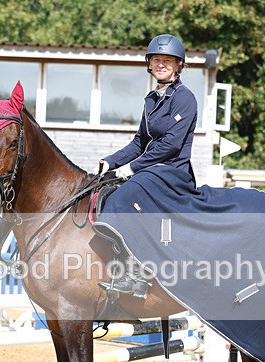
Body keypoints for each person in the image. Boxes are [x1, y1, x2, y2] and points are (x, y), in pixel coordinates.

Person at [95, 33, 198, 299]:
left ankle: (136, 274)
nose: (161, 64)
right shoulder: (150, 100)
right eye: (156, 60)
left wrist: (132, 168)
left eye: (167, 60)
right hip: (151, 169)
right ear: (149, 64)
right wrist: (110, 162)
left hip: (172, 171)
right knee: (105, 190)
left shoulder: (185, 98)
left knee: (125, 196)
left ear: (178, 65)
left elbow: (172, 145)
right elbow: (139, 142)